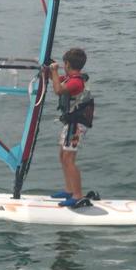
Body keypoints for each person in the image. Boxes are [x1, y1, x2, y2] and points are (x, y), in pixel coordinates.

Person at [44, 47, 95, 208]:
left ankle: (77, 194)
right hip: (71, 123)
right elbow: (56, 80)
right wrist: (48, 69)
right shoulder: (69, 77)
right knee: (62, 155)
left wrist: (54, 70)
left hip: (77, 126)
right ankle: (69, 190)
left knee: (69, 159)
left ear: (67, 64)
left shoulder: (76, 82)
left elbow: (58, 90)